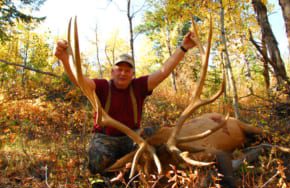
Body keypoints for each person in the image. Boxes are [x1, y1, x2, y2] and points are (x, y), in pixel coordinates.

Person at [55, 32, 196, 176]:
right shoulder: (102, 86)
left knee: (157, 139)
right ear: (112, 72)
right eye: (119, 69)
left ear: (132, 74)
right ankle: (108, 180)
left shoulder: (139, 86)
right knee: (98, 160)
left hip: (132, 137)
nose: (123, 73)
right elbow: (80, 80)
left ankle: (144, 173)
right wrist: (65, 60)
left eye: (127, 70)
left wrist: (183, 47)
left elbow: (164, 71)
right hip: (106, 138)